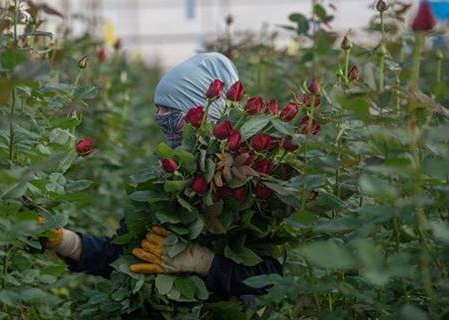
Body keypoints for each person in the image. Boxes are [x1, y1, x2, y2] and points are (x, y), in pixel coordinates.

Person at [43, 52, 283, 298]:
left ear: (201, 112)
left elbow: (273, 280)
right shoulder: (166, 179)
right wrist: (69, 243)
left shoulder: (247, 184)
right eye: (157, 108)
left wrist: (204, 262)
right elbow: (126, 256)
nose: (159, 116)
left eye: (168, 109)